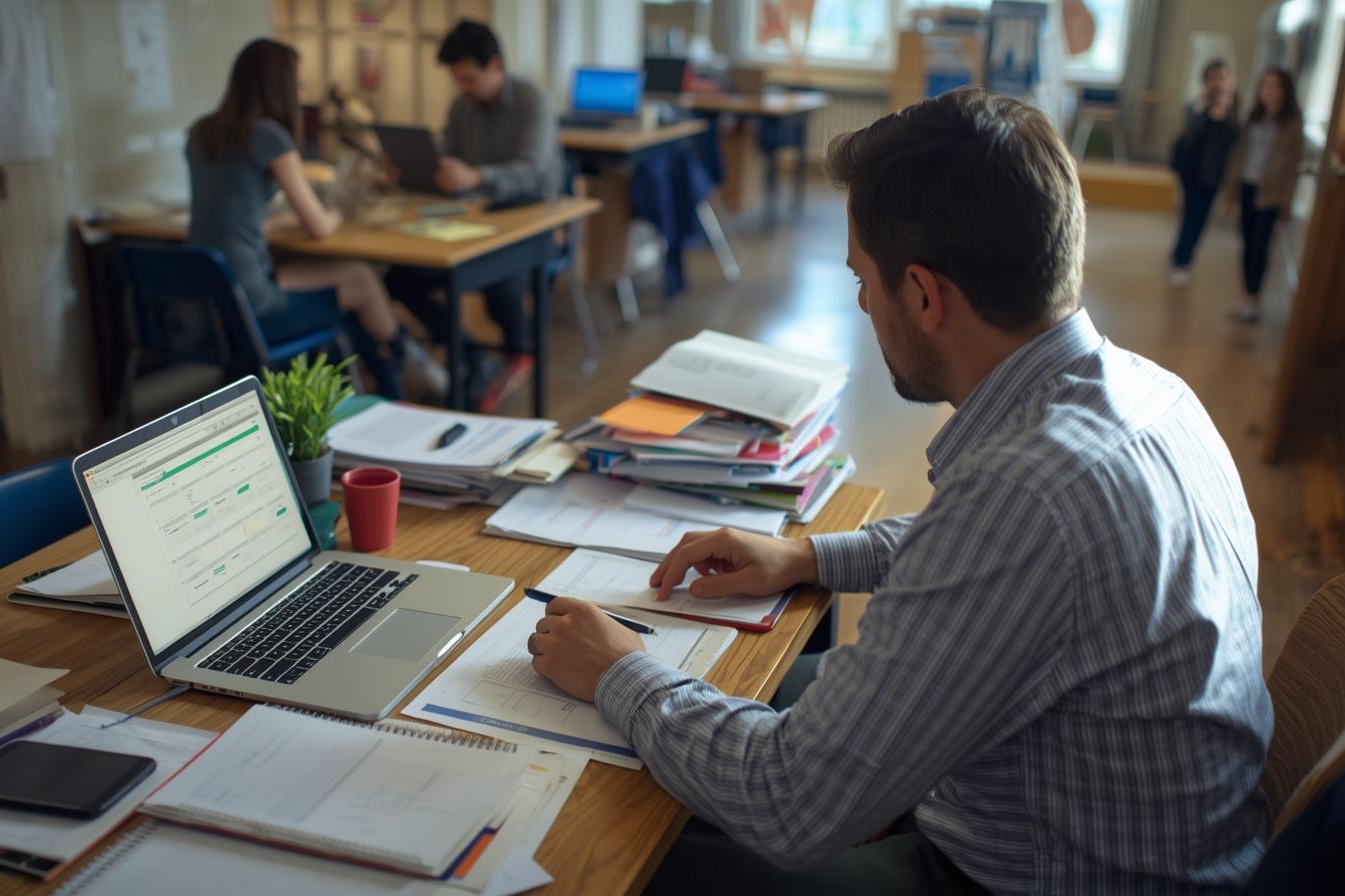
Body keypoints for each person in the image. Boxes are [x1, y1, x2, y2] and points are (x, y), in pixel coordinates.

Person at [526, 88, 1273, 893]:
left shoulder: (1026, 494)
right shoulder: (1147, 392)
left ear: (922, 294)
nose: (860, 301)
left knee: (608, 853)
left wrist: (619, 670)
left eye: (862, 278)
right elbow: (990, 552)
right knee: (743, 690)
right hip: (1113, 827)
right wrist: (804, 555)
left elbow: (788, 803)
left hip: (1028, 874)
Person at [186, 38, 441, 395]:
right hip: (255, 310)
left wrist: (289, 221)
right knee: (360, 277)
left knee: (338, 281)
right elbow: (320, 227)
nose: (302, 91)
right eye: (298, 83)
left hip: (211, 300)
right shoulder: (269, 137)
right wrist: (338, 213)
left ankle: (390, 368)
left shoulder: (201, 134)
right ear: (280, 86)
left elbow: (245, 220)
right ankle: (406, 363)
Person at [383, 19, 562, 411]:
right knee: (399, 277)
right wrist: (418, 167)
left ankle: (518, 349)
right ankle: (467, 352)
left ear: (495, 65)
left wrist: (476, 175)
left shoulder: (534, 100)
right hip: (474, 216)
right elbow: (445, 155)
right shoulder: (462, 106)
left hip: (529, 216)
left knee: (499, 279)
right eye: (458, 81)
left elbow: (533, 170)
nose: (464, 89)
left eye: (469, 79)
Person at [1223, 67, 1305, 323]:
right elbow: (1239, 155)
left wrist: (1286, 201)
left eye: (1275, 86)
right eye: (1265, 85)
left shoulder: (1292, 123)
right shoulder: (1254, 118)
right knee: (1247, 244)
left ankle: (1254, 299)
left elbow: (1293, 166)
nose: (1268, 91)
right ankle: (1246, 297)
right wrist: (1231, 192)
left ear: (1285, 91)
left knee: (1260, 245)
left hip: (1270, 194)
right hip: (1247, 186)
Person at [1168, 59, 1240, 287]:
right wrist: (1204, 108)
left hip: (1214, 173)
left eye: (1221, 78)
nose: (1217, 83)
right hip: (1192, 170)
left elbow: (1234, 141)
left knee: (1201, 218)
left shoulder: (1234, 109)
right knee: (1189, 214)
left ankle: (1182, 254)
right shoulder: (1197, 104)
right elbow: (1190, 131)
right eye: (1213, 79)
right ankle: (1182, 260)